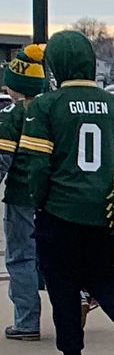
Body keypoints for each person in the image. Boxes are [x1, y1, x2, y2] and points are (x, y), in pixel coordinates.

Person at [11, 30, 114, 355]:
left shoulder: (46, 105)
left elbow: (36, 165)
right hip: (106, 210)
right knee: (102, 274)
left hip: (60, 209)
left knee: (62, 283)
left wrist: (39, 201)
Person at [2, 43, 46, 339]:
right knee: (55, 254)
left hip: (20, 197)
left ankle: (26, 321)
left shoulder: (10, 116)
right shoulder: (49, 111)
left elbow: (2, 159)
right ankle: (79, 298)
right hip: (52, 196)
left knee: (21, 257)